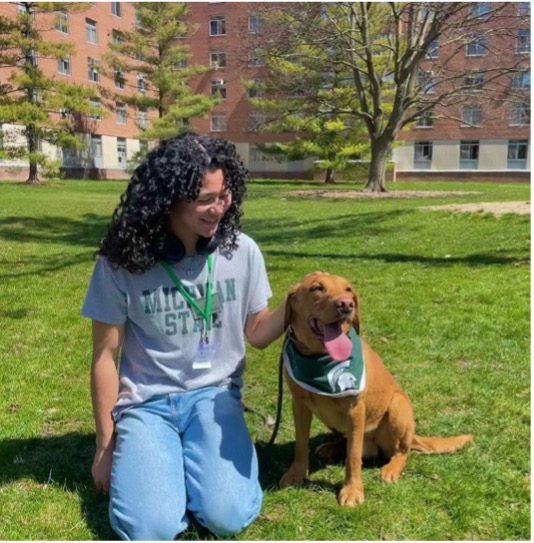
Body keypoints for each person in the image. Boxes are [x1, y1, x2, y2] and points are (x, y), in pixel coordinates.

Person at [81, 132, 286, 540]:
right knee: (148, 528)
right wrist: (105, 446)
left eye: (225, 194)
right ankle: (159, 462)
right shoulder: (121, 261)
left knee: (226, 516)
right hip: (146, 404)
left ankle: (190, 473)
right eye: (205, 199)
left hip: (214, 396)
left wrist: (297, 304)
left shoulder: (242, 252)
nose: (219, 207)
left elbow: (258, 333)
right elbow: (104, 358)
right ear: (169, 199)